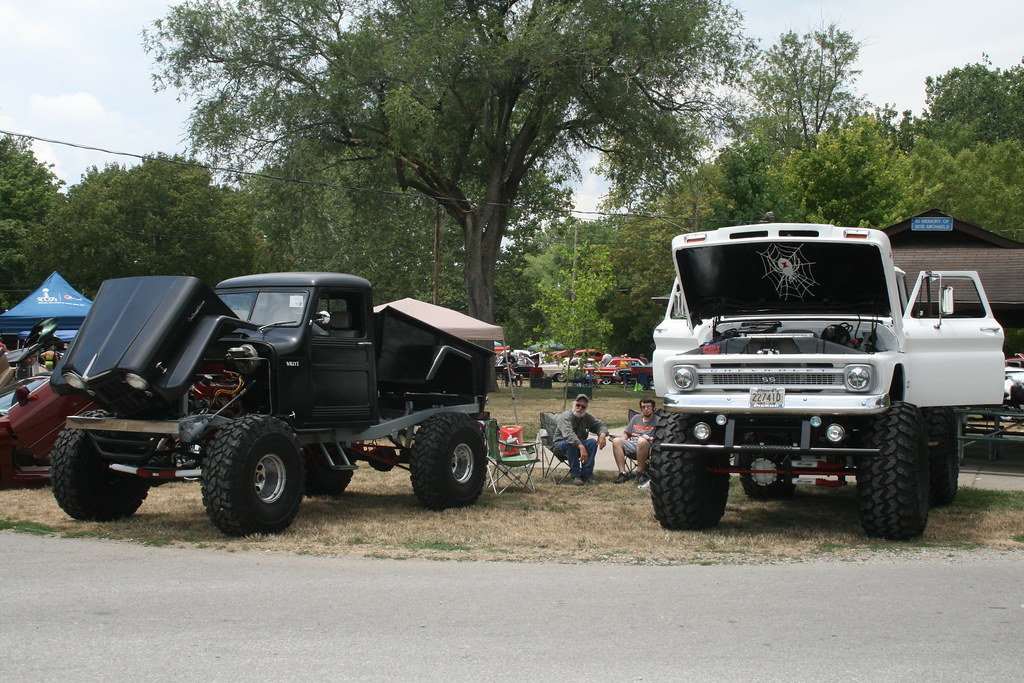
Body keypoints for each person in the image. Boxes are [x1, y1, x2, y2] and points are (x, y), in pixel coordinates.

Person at [553, 393, 609, 486]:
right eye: (578, 405)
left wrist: (602, 435)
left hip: (579, 445)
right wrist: (582, 447)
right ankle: (576, 475)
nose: (579, 408)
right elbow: (569, 435)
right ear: (574, 404)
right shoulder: (566, 416)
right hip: (561, 445)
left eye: (583, 407)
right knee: (570, 444)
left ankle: (587, 474)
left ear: (586, 408)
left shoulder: (587, 417)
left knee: (592, 442)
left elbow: (600, 425)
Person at [612, 398, 658, 488]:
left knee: (641, 441)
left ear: (653, 408)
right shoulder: (636, 418)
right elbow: (626, 433)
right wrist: (623, 440)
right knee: (616, 441)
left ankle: (640, 473)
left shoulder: (658, 420)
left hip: (649, 447)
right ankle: (622, 473)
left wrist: (650, 438)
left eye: (648, 407)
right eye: (643, 407)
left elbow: (661, 438)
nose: (646, 409)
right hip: (633, 445)